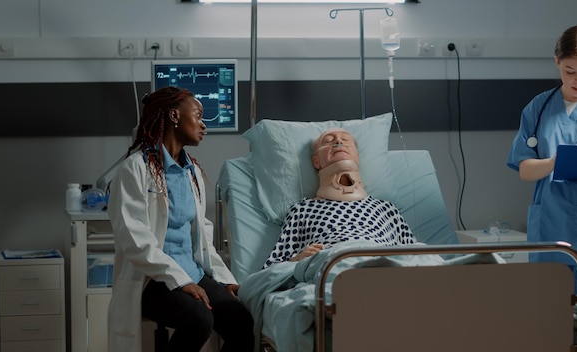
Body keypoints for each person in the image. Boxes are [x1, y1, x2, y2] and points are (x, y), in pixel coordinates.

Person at [106, 86, 254, 352]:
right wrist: (180, 280)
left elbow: (203, 236)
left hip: (194, 272)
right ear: (174, 116)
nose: (203, 125)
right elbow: (134, 239)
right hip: (153, 279)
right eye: (198, 115)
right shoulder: (134, 169)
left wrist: (223, 277)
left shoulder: (192, 171)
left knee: (242, 321)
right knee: (199, 319)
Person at [507, 25, 577, 350]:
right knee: (551, 321)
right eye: (570, 71)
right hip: (552, 227)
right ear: (557, 62)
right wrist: (558, 160)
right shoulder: (539, 109)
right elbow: (525, 170)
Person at [263, 127, 416, 268]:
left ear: (357, 157)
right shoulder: (302, 209)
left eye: (346, 140)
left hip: (385, 263)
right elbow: (272, 268)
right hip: (332, 261)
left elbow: (416, 255)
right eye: (328, 141)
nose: (338, 141)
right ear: (316, 162)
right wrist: (298, 259)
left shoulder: (386, 209)